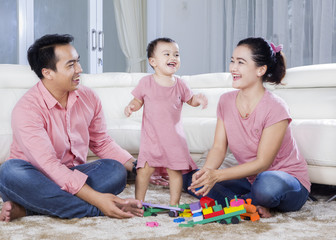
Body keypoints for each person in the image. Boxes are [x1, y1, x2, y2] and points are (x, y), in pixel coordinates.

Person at [0, 34, 144, 222]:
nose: (80, 70)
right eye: (71, 65)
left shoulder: (89, 97)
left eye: (78, 62)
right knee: (9, 172)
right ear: (47, 72)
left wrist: (138, 168)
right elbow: (49, 165)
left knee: (115, 170)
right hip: (35, 177)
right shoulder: (26, 109)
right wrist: (99, 201)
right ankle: (99, 209)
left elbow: (102, 142)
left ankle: (29, 210)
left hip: (74, 174)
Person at [184, 37, 310, 218]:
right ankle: (248, 204)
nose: (233, 68)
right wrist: (207, 173)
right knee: (192, 179)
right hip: (251, 180)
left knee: (266, 186)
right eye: (232, 61)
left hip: (285, 180)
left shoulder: (276, 107)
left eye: (241, 63)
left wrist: (217, 176)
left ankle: (249, 200)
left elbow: (262, 163)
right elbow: (219, 148)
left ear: (261, 69)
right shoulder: (225, 101)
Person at [124, 38, 208, 205]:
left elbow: (190, 100)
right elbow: (138, 100)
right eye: (167, 54)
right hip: (152, 139)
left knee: (175, 172)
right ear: (153, 62)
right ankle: (138, 202)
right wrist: (131, 106)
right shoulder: (146, 82)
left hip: (174, 140)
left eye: (176, 54)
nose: (173, 57)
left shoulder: (180, 84)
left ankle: (174, 204)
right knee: (143, 171)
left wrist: (198, 99)